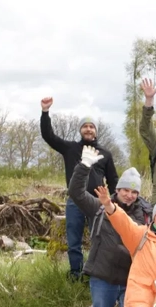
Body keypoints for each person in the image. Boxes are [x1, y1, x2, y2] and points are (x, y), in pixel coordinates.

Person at [69, 147, 151, 307]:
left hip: (131, 279)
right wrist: (84, 166)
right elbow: (75, 192)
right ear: (118, 189)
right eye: (126, 190)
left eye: (134, 191)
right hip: (103, 276)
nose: (129, 195)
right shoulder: (99, 206)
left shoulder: (146, 214)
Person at [40, 97, 118, 281]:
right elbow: (48, 136)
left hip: (97, 202)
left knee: (97, 239)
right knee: (73, 241)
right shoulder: (70, 149)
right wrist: (45, 112)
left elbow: (113, 180)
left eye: (92, 126)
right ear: (81, 130)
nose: (88, 129)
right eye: (85, 126)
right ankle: (76, 273)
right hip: (75, 202)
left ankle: (94, 273)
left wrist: (114, 202)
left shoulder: (105, 154)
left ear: (96, 131)